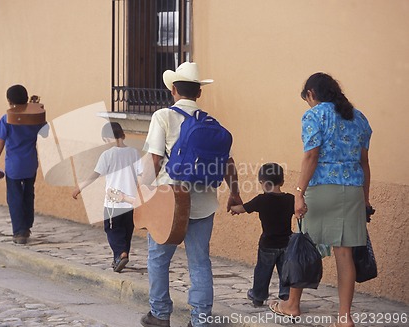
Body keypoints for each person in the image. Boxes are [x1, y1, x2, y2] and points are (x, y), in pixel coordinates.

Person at [139, 62, 243, 327]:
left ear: (174, 89)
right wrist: (235, 193)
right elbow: (228, 163)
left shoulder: (163, 116)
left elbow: (153, 159)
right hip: (204, 202)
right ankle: (201, 319)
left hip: (170, 199)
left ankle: (160, 314)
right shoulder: (211, 123)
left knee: (159, 259)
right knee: (199, 262)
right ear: (199, 93)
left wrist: (142, 192)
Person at [268, 73, 372, 327]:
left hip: (322, 188)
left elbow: (311, 156)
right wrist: (365, 200)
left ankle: (292, 305)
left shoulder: (314, 116)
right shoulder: (358, 118)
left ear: (311, 94)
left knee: (303, 244)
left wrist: (299, 191)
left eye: (307, 99)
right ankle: (344, 318)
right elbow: (364, 163)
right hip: (353, 191)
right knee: (344, 254)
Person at [72, 122, 142, 272]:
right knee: (126, 230)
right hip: (130, 202)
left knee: (112, 229)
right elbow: (141, 175)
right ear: (122, 135)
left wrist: (80, 187)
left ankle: (120, 255)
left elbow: (95, 174)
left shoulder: (107, 155)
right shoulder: (134, 153)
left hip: (113, 202)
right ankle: (121, 257)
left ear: (106, 138)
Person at [230, 163, 294, 306]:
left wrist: (232, 207)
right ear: (282, 181)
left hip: (267, 244)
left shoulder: (261, 200)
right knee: (286, 270)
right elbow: (301, 209)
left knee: (263, 270)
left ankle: (258, 296)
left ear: (262, 183)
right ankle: (286, 294)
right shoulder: (290, 199)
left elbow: (242, 208)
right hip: (286, 243)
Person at [0, 84, 46, 244]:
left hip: (13, 165)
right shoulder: (34, 117)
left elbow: (0, 141)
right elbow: (45, 132)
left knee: (14, 197)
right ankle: (27, 226)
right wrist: (37, 109)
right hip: (30, 163)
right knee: (28, 194)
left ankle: (19, 232)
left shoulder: (6, 118)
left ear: (9, 101)